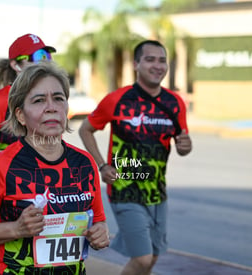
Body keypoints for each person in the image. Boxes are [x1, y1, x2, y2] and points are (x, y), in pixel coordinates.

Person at [0, 62, 110, 275]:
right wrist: (16, 229)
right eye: (39, 100)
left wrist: (100, 233)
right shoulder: (1, 166)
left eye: (59, 99)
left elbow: (97, 221)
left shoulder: (84, 163)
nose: (51, 107)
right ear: (20, 115)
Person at [79, 40, 192, 275]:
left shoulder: (175, 103)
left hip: (157, 192)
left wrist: (186, 146)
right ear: (136, 64)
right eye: (150, 59)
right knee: (142, 258)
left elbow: (182, 146)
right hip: (125, 190)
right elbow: (85, 129)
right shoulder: (117, 100)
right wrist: (102, 165)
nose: (157, 65)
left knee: (152, 258)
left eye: (162, 60)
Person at [0, 33, 56, 166]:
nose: (44, 62)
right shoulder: (2, 99)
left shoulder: (52, 98)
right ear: (15, 65)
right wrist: (22, 159)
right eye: (36, 57)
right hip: (7, 184)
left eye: (46, 56)